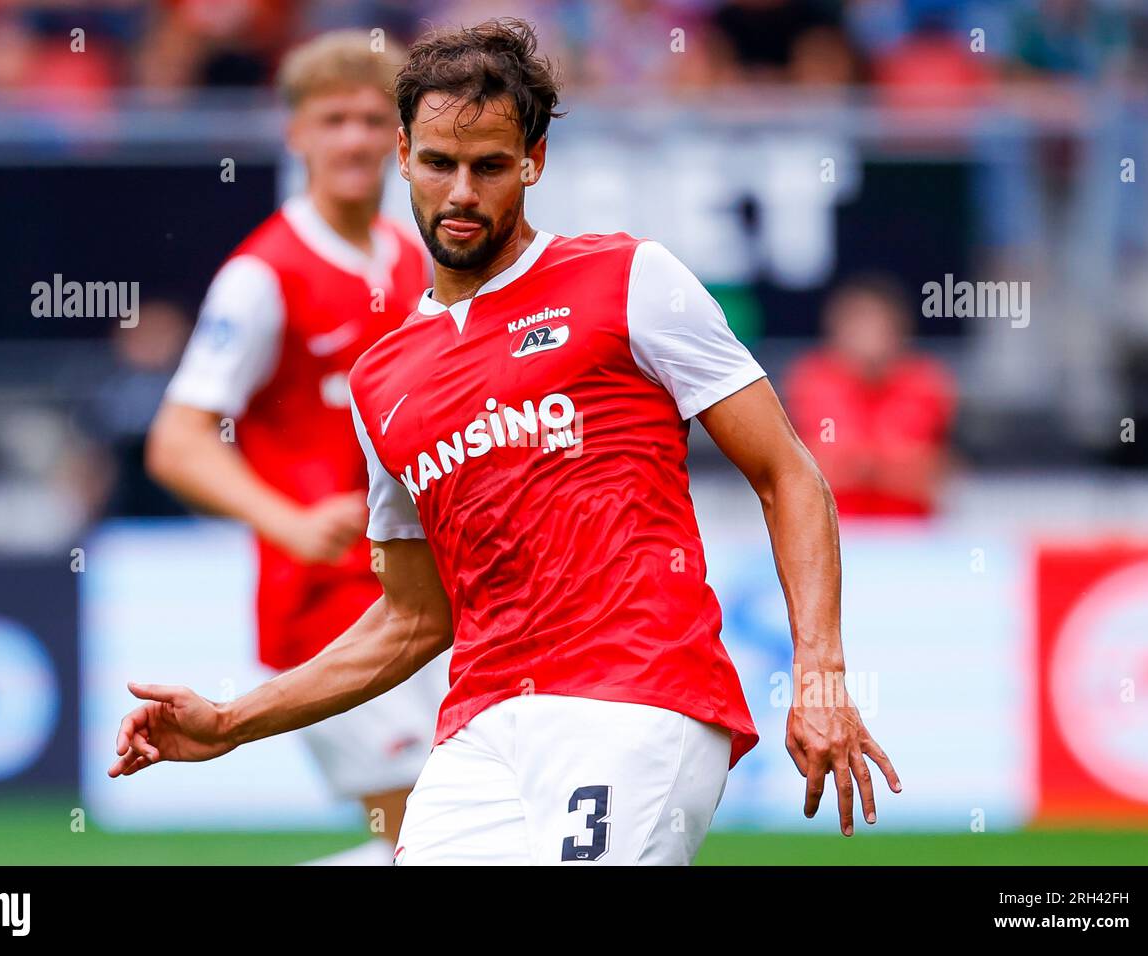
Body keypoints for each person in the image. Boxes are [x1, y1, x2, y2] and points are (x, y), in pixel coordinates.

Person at [114, 17, 900, 866]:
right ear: (405, 153)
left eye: (489, 166)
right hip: (478, 731)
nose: (461, 193)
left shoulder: (628, 280)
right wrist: (232, 721)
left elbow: (788, 473)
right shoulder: (384, 379)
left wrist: (820, 678)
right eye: (440, 164)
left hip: (635, 701)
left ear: (532, 162)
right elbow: (414, 617)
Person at [143, 30, 442, 866]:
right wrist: (290, 520)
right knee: (426, 837)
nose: (351, 138)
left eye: (370, 119)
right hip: (329, 605)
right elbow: (177, 440)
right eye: (331, 118)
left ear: (400, 139)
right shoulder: (264, 275)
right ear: (297, 134)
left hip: (425, 595)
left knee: (453, 839)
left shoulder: (410, 258)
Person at [785, 274, 957, 517]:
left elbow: (938, 474)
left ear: (898, 331)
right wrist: (891, 465)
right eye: (857, 326)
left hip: (911, 538)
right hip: (834, 533)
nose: (867, 338)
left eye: (877, 327)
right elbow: (804, 469)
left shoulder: (926, 380)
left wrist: (857, 465)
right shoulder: (811, 379)